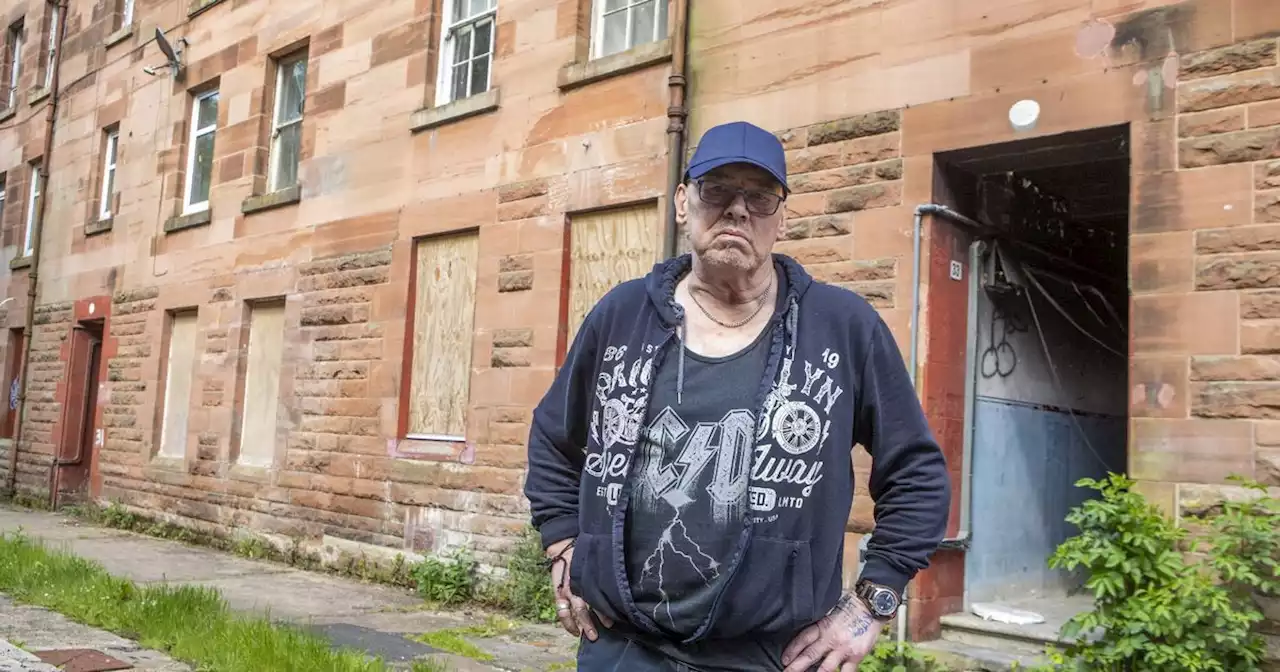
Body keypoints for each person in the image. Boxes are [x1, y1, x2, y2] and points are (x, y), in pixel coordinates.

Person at [524, 120, 951, 672]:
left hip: (772, 656)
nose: (738, 210)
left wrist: (872, 603)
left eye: (761, 196)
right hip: (622, 647)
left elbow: (916, 472)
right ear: (683, 201)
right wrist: (563, 545)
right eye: (717, 189)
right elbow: (554, 437)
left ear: (782, 216)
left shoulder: (842, 327)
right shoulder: (622, 315)